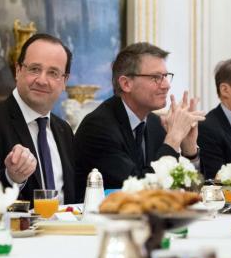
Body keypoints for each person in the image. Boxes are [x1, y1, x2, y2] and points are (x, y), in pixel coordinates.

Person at [74, 42, 203, 195]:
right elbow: (139, 188)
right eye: (156, 77)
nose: (167, 85)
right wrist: (173, 138)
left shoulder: (154, 123)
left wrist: (189, 150)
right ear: (126, 84)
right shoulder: (98, 127)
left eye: (166, 76)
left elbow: (186, 192)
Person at [0, 33, 75, 204]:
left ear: (64, 81)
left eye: (53, 73)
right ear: (18, 70)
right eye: (35, 69)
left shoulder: (64, 130)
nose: (42, 80)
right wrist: (11, 178)